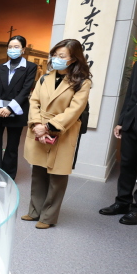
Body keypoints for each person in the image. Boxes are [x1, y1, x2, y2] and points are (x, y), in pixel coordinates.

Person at [21, 38, 91, 229]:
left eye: (61, 56)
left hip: (62, 132)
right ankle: (34, 211)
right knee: (38, 172)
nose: (56, 59)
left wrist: (48, 126)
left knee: (57, 175)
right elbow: (34, 101)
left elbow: (74, 111)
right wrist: (37, 123)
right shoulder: (45, 78)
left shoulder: (82, 82)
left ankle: (48, 217)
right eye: (54, 55)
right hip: (39, 130)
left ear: (73, 59)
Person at [99, 51, 137, 225]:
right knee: (127, 165)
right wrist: (121, 121)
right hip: (130, 124)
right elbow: (130, 96)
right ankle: (122, 202)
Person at [0, 36, 37, 186]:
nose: (12, 50)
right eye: (10, 47)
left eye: (16, 47)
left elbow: (26, 90)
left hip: (17, 110)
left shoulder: (30, 67)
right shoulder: (1, 67)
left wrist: (9, 108)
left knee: (12, 146)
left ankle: (7, 176)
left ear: (23, 49)